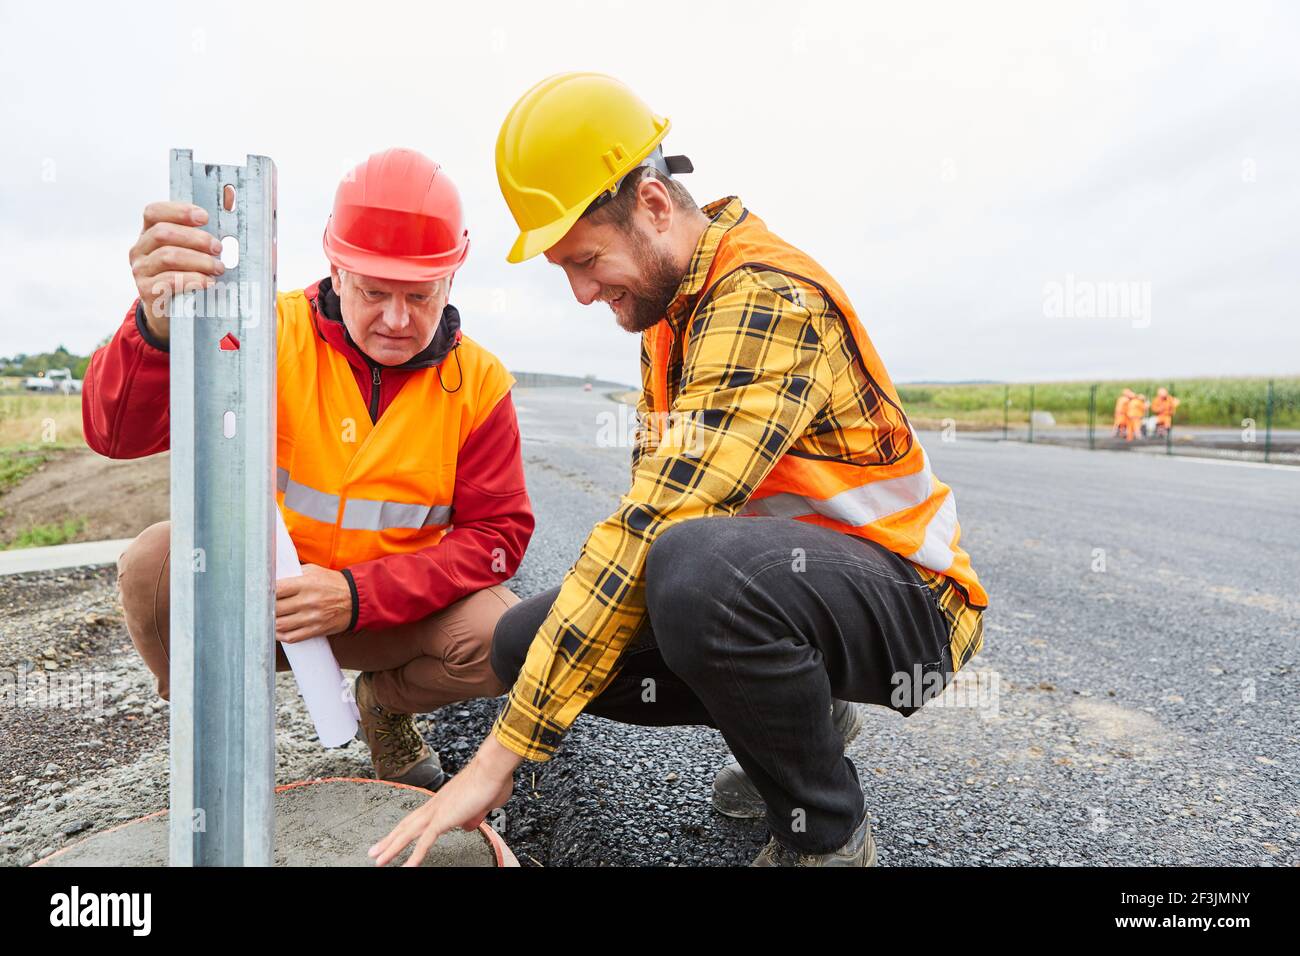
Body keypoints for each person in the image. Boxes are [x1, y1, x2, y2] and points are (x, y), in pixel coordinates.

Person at [369, 73, 988, 868]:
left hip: (911, 602)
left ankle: (826, 840)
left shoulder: (763, 298)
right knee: (530, 638)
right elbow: (644, 527)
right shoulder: (669, 321)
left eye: (586, 260)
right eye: (565, 270)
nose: (583, 292)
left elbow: (659, 530)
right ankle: (806, 714)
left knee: (691, 569)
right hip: (800, 594)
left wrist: (501, 755)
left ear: (654, 205)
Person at [82, 149, 534, 791]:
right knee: (153, 565)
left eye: (420, 295)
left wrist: (355, 596)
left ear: (451, 281)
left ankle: (385, 707)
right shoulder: (262, 328)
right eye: (374, 292)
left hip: (385, 618)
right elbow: (116, 434)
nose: (397, 321)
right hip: (253, 606)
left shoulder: (480, 384)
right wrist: (155, 327)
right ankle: (209, 720)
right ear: (337, 269)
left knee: (503, 636)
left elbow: (497, 539)